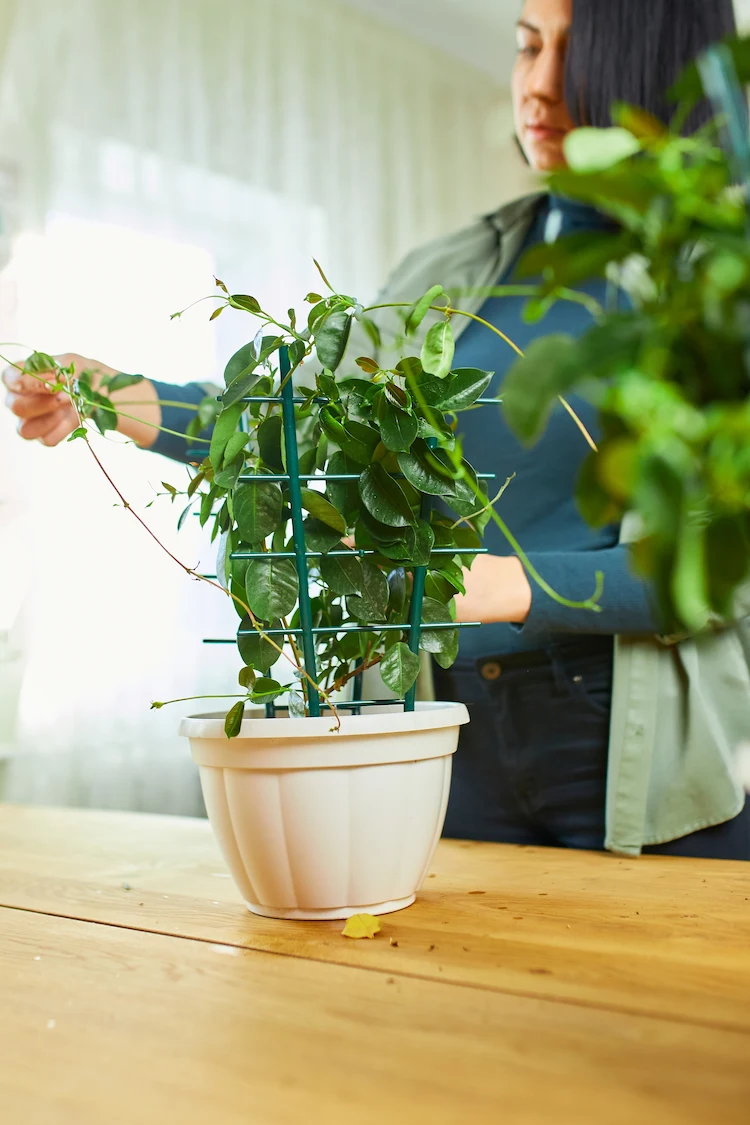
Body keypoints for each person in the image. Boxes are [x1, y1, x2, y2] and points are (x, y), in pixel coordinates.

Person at [5, 0, 749, 858]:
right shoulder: (454, 270)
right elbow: (298, 419)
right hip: (443, 718)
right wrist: (114, 399)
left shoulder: (717, 279)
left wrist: (494, 585)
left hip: (627, 737)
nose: (538, 87)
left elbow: (720, 568)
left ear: (660, 65)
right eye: (526, 47)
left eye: (575, 54)